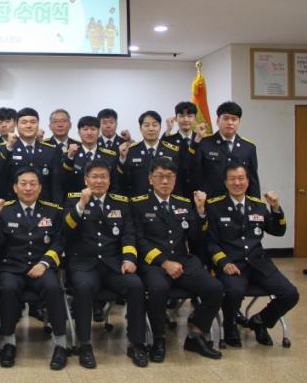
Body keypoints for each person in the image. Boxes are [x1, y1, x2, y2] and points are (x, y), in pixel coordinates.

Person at [131, 157, 223, 362]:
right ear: (150, 179)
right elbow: (139, 241)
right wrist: (164, 263)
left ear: (175, 179)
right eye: (160, 176)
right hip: (154, 263)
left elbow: (196, 237)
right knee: (158, 289)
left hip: (183, 260)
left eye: (170, 177)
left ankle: (195, 334)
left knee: (215, 288)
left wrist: (200, 212)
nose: (165, 181)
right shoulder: (138, 204)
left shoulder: (183, 203)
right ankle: (159, 338)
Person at [62, 160, 148, 368]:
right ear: (86, 180)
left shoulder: (120, 202)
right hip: (84, 264)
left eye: (103, 177)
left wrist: (129, 259)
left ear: (109, 181)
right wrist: (81, 205)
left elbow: (128, 235)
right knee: (83, 288)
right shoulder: (73, 200)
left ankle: (136, 343)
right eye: (94, 177)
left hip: (113, 264)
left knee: (136, 285)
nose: (99, 181)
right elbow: (65, 232)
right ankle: (84, 344)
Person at [207, 163, 299, 347]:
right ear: (225, 182)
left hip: (259, 263)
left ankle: (261, 321)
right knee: (234, 291)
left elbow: (278, 231)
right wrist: (223, 262)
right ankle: (230, 325)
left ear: (248, 181)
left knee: (290, 294)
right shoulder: (215, 207)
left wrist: (275, 208)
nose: (237, 183)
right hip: (232, 263)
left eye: (241, 178)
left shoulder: (258, 205)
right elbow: (210, 242)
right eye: (232, 179)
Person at [0, 168, 68, 370]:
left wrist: (44, 263)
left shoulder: (53, 211)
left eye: (33, 184)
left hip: (42, 267)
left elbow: (58, 243)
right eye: (23, 184)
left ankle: (61, 344)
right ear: (15, 187)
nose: (28, 188)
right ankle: (8, 342)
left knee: (54, 288)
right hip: (11, 267)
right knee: (8, 289)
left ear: (40, 188)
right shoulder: (4, 210)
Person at [0, 107, 63, 204]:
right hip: (13, 205)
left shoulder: (50, 150)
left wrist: (57, 207)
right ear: (16, 125)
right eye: (24, 122)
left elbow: (56, 185)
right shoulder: (5, 148)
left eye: (33, 122)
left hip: (44, 205)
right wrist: (9, 148)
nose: (29, 126)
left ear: (38, 124)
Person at [193, 101, 260, 198]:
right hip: (211, 202)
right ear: (217, 120)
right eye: (226, 118)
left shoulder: (249, 147)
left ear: (239, 122)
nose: (230, 122)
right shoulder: (204, 144)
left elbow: (253, 181)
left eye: (234, 119)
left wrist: (255, 204)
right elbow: (196, 176)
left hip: (238, 203)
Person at [119, 111, 180, 197]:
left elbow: (177, 180)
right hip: (138, 200)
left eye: (154, 125)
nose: (151, 129)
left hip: (164, 199)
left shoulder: (172, 151)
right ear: (140, 129)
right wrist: (122, 159)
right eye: (146, 125)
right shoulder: (131, 151)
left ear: (160, 128)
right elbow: (124, 178)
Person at [62, 115, 120, 196]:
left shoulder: (110, 156)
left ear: (99, 132)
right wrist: (70, 158)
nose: (89, 133)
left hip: (103, 201)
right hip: (76, 200)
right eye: (85, 129)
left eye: (93, 129)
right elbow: (63, 180)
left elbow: (115, 185)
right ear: (79, 132)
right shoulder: (70, 155)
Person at [162, 101, 206, 198]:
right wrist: (168, 130)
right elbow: (159, 154)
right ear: (176, 118)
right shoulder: (169, 139)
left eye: (190, 116)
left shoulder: (203, 139)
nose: (185, 120)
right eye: (181, 116)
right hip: (175, 192)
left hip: (198, 192)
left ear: (195, 118)